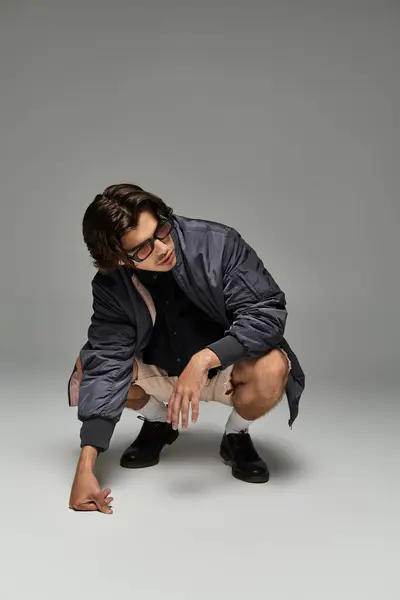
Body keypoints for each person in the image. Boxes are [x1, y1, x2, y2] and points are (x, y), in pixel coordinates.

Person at [68, 183, 305, 514]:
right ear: (120, 260)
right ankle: (159, 423)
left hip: (226, 369)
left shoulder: (217, 243)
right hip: (161, 371)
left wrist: (205, 359)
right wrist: (85, 466)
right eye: (143, 249)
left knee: (273, 367)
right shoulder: (111, 284)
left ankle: (236, 435)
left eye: (161, 229)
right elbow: (108, 358)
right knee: (89, 364)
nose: (162, 247)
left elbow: (265, 310)